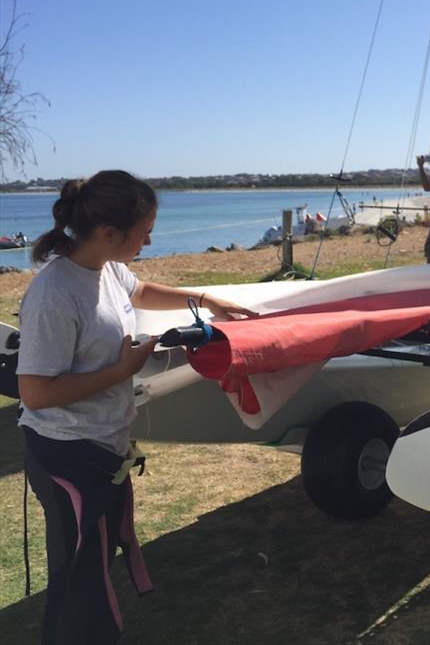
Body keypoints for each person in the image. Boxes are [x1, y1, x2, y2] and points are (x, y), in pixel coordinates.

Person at [17, 170, 257, 645]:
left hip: (100, 449)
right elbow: (35, 393)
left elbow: (140, 291)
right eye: (144, 231)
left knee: (93, 568)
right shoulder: (54, 294)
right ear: (108, 233)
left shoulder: (106, 267)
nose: (150, 238)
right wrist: (122, 371)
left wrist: (204, 298)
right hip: (66, 454)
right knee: (77, 583)